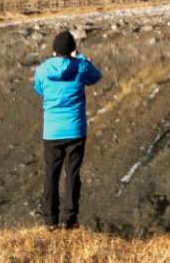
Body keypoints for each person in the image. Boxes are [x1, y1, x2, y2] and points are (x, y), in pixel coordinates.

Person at [33, 29, 102, 230]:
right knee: (72, 174)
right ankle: (69, 219)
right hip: (76, 130)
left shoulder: (43, 70)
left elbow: (38, 89)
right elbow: (96, 76)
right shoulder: (81, 67)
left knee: (51, 174)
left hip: (52, 132)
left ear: (54, 50)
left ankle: (50, 220)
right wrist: (80, 57)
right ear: (72, 49)